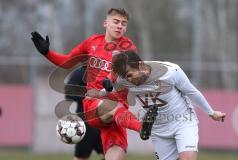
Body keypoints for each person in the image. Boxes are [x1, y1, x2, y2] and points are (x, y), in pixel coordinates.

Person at [31, 8, 155, 160]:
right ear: (106, 23)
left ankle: (141, 127)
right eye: (116, 22)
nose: (119, 26)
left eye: (123, 23)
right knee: (111, 107)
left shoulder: (128, 47)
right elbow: (66, 61)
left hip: (120, 112)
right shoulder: (92, 42)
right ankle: (142, 127)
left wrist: (119, 78)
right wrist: (47, 53)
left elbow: (130, 70)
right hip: (93, 104)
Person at [105, 51, 226, 160]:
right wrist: (106, 85)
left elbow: (191, 92)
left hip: (183, 121)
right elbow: (107, 91)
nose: (128, 80)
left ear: (141, 65)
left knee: (187, 158)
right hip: (158, 129)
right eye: (125, 77)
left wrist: (211, 112)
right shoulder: (123, 80)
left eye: (130, 75)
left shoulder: (170, 71)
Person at [65, 66, 104, 160]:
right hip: (86, 122)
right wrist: (87, 94)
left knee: (112, 152)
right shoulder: (80, 72)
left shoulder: (107, 71)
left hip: (105, 121)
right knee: (81, 156)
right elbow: (69, 93)